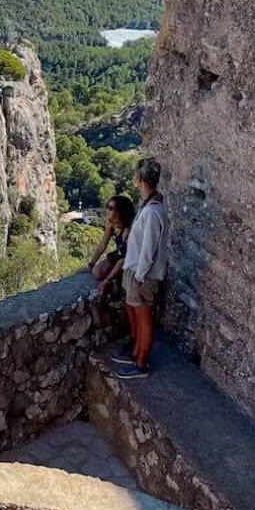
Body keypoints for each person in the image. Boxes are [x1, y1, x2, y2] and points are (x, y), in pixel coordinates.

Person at [112, 157, 168, 379]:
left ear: (140, 180)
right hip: (137, 271)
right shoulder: (151, 206)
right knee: (137, 314)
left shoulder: (152, 212)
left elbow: (148, 248)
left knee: (144, 320)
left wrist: (140, 275)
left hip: (143, 275)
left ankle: (141, 365)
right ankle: (136, 354)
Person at [88, 195, 135, 299]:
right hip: (119, 255)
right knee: (96, 271)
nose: (107, 211)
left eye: (111, 208)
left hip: (128, 259)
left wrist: (107, 279)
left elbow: (127, 257)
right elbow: (102, 246)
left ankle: (113, 280)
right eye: (107, 207)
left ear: (120, 212)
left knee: (108, 272)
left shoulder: (127, 231)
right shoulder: (111, 226)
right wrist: (91, 264)